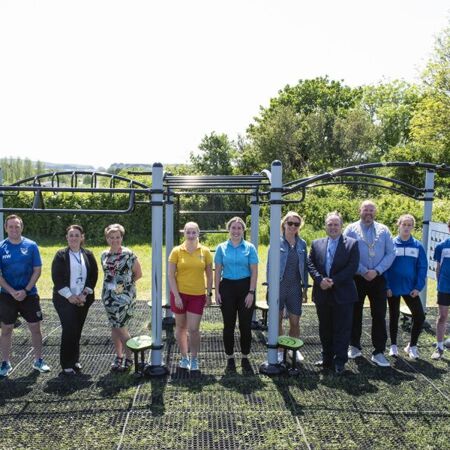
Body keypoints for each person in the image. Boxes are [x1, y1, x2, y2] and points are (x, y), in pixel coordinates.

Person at [343, 200, 395, 367]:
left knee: (379, 314)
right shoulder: (351, 229)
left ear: (375, 212)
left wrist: (377, 270)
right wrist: (363, 270)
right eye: (366, 210)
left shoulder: (384, 230)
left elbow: (391, 253)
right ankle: (354, 346)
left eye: (371, 210)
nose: (368, 213)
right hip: (358, 277)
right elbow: (347, 253)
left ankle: (378, 351)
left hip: (378, 278)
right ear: (360, 211)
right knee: (355, 312)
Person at [308, 212, 360, 374]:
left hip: (343, 294)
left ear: (341, 226)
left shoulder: (352, 244)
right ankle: (326, 359)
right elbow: (310, 264)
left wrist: (333, 281)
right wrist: (319, 280)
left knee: (342, 329)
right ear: (325, 226)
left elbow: (352, 267)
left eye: (336, 224)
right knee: (325, 328)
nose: (333, 227)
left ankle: (340, 361)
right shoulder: (316, 244)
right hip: (322, 293)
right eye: (330, 224)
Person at [0, 214, 50, 377]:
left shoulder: (31, 245)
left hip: (29, 294)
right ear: (5, 228)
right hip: (7, 296)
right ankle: (5, 362)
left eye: (17, 226)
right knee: (6, 329)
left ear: (22, 227)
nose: (14, 229)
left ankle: (38, 360)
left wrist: (26, 290)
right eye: (11, 226)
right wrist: (12, 291)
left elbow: (37, 269)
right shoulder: (1, 247)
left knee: (35, 327)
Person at [52, 225, 99, 375]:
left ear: (82, 237)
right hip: (65, 300)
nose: (73, 238)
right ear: (67, 237)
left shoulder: (88, 254)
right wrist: (70, 296)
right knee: (69, 329)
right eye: (71, 235)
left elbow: (93, 275)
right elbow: (57, 278)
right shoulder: (60, 255)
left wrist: (84, 294)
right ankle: (66, 363)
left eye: (76, 235)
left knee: (77, 330)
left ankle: (75, 360)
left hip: (83, 299)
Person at [214, 217, 258, 371]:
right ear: (229, 229)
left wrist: (251, 292)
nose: (236, 231)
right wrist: (217, 292)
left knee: (245, 325)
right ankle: (229, 356)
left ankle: (245, 355)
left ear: (243, 230)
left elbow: (254, 271)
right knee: (229, 325)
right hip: (227, 287)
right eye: (233, 227)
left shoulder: (250, 248)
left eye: (239, 228)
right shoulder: (221, 248)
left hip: (245, 287)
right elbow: (218, 271)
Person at [168, 222, 213, 371]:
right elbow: (170, 275)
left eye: (194, 232)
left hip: (197, 295)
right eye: (188, 232)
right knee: (181, 327)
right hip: (179, 295)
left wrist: (208, 294)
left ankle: (194, 358)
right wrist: (177, 296)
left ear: (198, 233)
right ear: (184, 233)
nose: (191, 235)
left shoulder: (205, 251)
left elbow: (209, 274)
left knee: (193, 329)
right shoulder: (176, 251)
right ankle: (184, 357)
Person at [101, 223, 142, 371]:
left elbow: (138, 273)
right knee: (114, 327)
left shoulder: (128, 254)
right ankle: (119, 356)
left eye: (117, 237)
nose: (115, 240)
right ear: (107, 238)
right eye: (111, 237)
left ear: (121, 238)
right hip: (108, 296)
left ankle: (130, 357)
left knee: (121, 328)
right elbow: (107, 275)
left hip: (124, 297)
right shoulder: (104, 255)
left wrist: (125, 288)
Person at [385, 214, 426, 359]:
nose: (407, 227)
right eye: (404, 224)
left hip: (410, 289)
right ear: (399, 225)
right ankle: (393, 346)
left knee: (420, 316)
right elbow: (385, 267)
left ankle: (412, 346)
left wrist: (418, 287)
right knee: (394, 316)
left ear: (413, 227)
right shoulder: (391, 244)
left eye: (410, 225)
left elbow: (422, 268)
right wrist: (387, 286)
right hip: (393, 288)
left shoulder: (418, 245)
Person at [270, 211, 308, 363]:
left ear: (299, 227)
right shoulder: (276, 242)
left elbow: (305, 268)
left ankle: (293, 349)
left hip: (294, 287)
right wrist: (270, 288)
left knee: (295, 321)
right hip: (279, 286)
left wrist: (305, 289)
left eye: (296, 224)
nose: (293, 226)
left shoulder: (302, 244)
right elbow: (269, 266)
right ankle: (280, 351)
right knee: (277, 320)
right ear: (284, 224)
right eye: (290, 223)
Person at [431, 219, 450, 360]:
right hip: (444, 287)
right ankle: (439, 346)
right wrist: (439, 285)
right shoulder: (441, 246)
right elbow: (438, 268)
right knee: (442, 316)